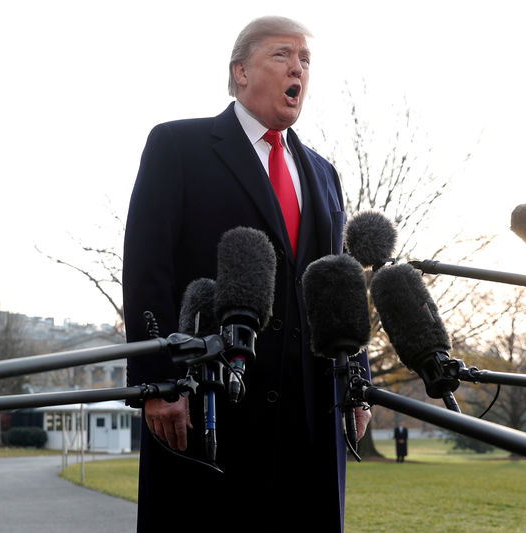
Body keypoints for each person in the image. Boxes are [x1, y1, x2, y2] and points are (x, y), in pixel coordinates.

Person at [122, 16, 370, 532]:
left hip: (310, 416)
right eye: (283, 55)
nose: (297, 68)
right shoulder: (178, 146)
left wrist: (358, 383)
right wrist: (158, 383)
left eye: (305, 60)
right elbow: (147, 269)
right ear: (240, 71)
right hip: (210, 406)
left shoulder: (324, 173)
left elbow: (339, 286)